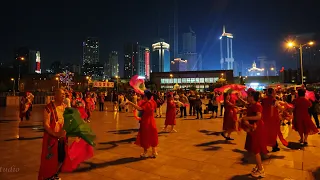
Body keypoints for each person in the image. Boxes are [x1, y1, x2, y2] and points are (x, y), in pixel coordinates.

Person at [38, 89, 70, 180]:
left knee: (62, 157)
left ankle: (54, 174)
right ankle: (49, 176)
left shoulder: (64, 107)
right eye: (61, 94)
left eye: (64, 94)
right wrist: (55, 134)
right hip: (52, 139)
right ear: (55, 95)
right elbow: (46, 124)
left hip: (62, 138)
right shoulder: (48, 108)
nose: (63, 96)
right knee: (51, 159)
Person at [239, 90, 267, 178]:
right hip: (252, 127)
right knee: (254, 148)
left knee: (256, 149)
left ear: (252, 97)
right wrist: (239, 98)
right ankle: (258, 166)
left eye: (248, 96)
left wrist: (246, 118)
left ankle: (261, 170)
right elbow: (246, 106)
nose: (247, 97)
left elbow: (259, 116)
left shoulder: (257, 105)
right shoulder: (252, 105)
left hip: (256, 128)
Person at [126, 90, 158, 158]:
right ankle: (154, 152)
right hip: (152, 121)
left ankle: (145, 152)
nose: (143, 97)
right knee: (152, 136)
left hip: (146, 122)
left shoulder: (147, 104)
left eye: (144, 96)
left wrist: (130, 103)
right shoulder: (152, 102)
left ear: (146, 97)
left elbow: (139, 109)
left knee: (145, 136)